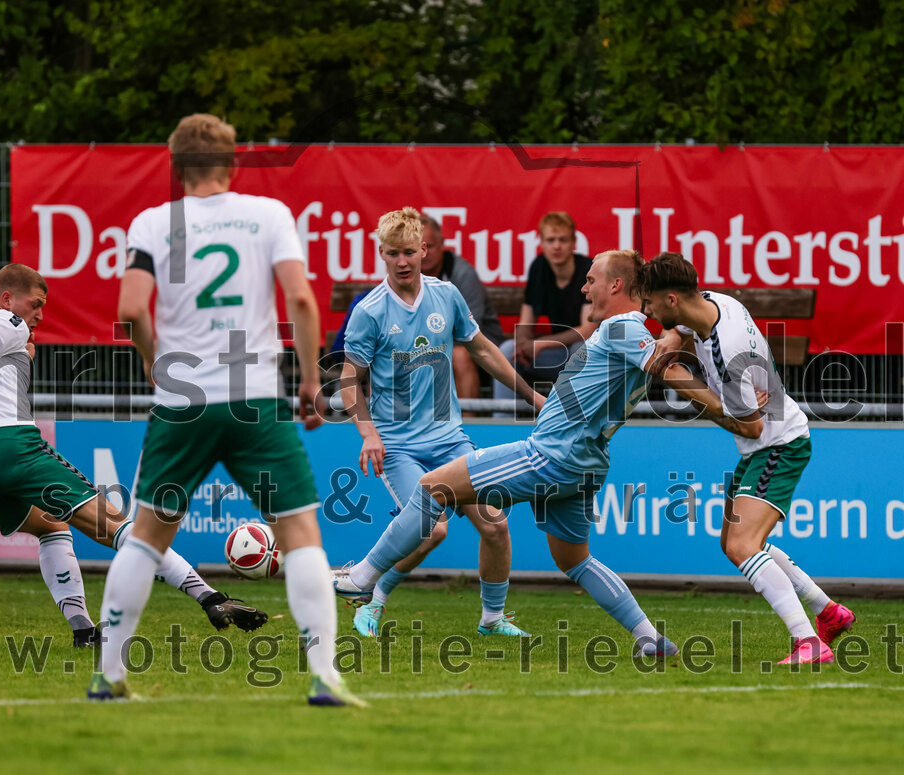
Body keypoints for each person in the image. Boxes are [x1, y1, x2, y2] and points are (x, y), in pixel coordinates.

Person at [335, 249, 761, 657]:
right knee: (574, 560)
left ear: (616, 285)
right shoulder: (629, 330)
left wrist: (730, 413)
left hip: (552, 455)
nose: (583, 288)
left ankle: (362, 579)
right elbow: (665, 358)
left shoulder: (624, 327)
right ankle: (649, 636)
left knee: (432, 489)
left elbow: (668, 369)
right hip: (586, 463)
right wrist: (677, 334)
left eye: (591, 279)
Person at [92, 113, 364, 706]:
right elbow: (299, 298)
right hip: (254, 399)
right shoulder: (267, 214)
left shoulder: (151, 222)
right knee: (299, 533)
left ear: (175, 167)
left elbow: (132, 306)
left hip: (181, 401)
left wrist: (152, 359)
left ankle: (108, 675)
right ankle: (324, 675)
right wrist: (312, 381)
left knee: (144, 538)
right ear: (233, 162)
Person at [0, 264, 257, 649]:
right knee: (117, 525)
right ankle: (210, 598)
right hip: (6, 448)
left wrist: (17, 360)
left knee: (51, 527)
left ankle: (83, 631)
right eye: (35, 304)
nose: (40, 314)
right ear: (8, 298)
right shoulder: (7, 320)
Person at [638, 253, 856, 665]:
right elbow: (684, 326)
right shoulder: (717, 303)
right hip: (768, 442)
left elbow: (751, 426)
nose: (646, 312)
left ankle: (808, 642)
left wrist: (698, 395)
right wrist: (672, 337)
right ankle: (829, 612)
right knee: (734, 544)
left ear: (669, 299)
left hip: (776, 444)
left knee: (742, 545)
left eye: (649, 303)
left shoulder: (727, 353)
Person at [340, 207, 545, 638]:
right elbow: (348, 380)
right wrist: (368, 433)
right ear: (381, 253)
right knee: (431, 529)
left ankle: (492, 619)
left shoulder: (446, 296)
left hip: (449, 439)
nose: (401, 262)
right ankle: (369, 595)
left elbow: (484, 350)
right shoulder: (369, 311)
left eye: (409, 252)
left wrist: (530, 396)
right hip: (398, 446)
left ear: (424, 250)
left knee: (495, 524)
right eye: (392, 253)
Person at [493, 212, 596, 413]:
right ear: (541, 242)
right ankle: (502, 419)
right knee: (507, 350)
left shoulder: (588, 269)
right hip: (556, 352)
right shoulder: (539, 267)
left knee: (580, 349)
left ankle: (575, 421)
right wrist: (523, 345)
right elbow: (526, 320)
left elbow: (587, 330)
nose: (556, 246)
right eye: (551, 240)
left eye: (563, 240)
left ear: (574, 242)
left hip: (586, 354)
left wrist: (540, 344)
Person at [419, 215, 506, 406]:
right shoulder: (407, 274)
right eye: (417, 247)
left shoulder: (462, 274)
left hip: (479, 346)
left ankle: (466, 426)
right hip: (432, 345)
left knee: (459, 355)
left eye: (430, 246)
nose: (424, 253)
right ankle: (385, 427)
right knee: (388, 355)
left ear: (442, 244)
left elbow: (469, 332)